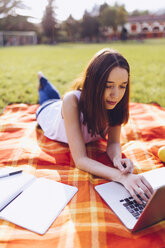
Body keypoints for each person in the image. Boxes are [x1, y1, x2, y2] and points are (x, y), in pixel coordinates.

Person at [36, 48, 153, 204]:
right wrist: (121, 177)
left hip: (64, 107)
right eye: (108, 85)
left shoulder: (116, 103)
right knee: (48, 97)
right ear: (94, 82)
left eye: (122, 86)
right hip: (48, 113)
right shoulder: (72, 101)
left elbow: (112, 143)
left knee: (53, 97)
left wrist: (117, 158)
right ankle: (42, 80)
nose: (116, 94)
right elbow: (81, 160)